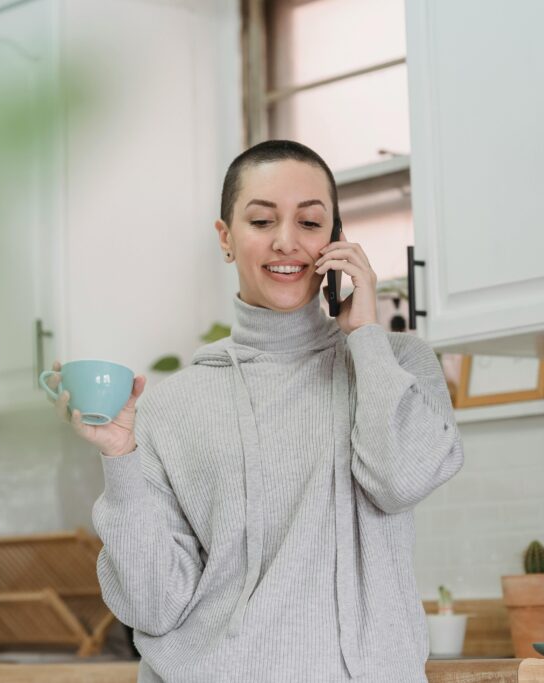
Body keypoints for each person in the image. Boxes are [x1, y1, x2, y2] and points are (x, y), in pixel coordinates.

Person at [44, 140, 464, 682]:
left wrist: (364, 334)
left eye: (310, 224)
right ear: (226, 238)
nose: (286, 241)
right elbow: (154, 606)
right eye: (262, 220)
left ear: (337, 240)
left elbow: (399, 480)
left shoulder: (397, 365)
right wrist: (121, 457)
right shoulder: (173, 405)